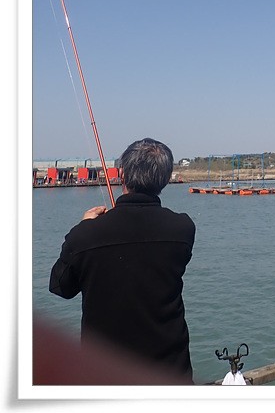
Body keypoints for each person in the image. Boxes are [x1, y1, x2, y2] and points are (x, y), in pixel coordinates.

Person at [49, 138, 196, 383]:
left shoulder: (85, 235)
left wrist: (82, 229)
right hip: (170, 373)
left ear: (123, 174)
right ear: (165, 179)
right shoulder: (182, 228)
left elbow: (60, 287)